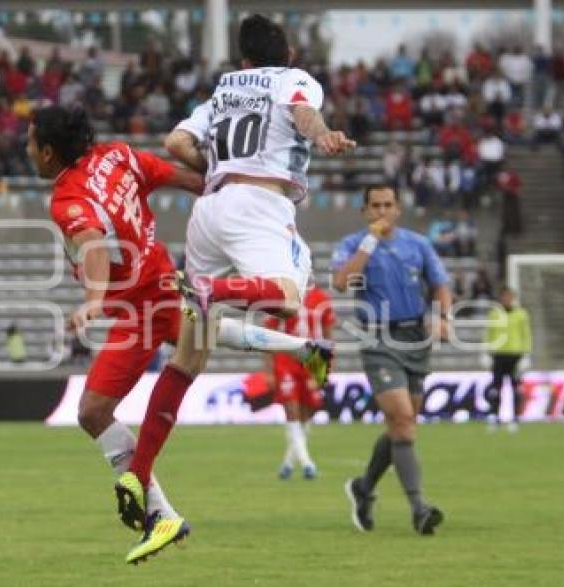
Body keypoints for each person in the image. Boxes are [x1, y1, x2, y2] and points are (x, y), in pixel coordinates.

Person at [27, 101, 338, 565]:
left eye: (31, 140)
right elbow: (185, 179)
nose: (27, 148)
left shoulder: (67, 198)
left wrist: (93, 299)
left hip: (137, 310)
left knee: (93, 412)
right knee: (204, 332)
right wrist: (237, 199)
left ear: (48, 152)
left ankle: (160, 514)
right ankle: (303, 348)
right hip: (163, 280)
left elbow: (92, 244)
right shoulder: (119, 156)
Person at [118, 14, 352, 564]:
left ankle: (139, 472)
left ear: (243, 59)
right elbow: (302, 111)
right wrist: (323, 135)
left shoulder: (224, 90)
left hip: (209, 207)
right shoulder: (292, 80)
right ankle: (213, 288)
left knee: (189, 355)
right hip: (259, 203)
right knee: (289, 298)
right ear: (287, 52)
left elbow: (177, 142)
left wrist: (220, 167)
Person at [334, 185, 451, 536]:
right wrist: (369, 242)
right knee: (402, 420)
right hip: (377, 337)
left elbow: (440, 284)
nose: (382, 211)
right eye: (375, 206)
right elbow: (341, 281)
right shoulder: (352, 244)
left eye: (388, 205)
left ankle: (363, 487)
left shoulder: (418, 244)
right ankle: (419, 508)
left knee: (403, 425)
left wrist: (443, 315)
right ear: (365, 211)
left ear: (398, 209)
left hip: (416, 337)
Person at [265, 285, 335, 480]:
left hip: (313, 360)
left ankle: (288, 462)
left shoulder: (321, 298)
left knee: (307, 412)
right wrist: (269, 369)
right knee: (292, 410)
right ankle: (307, 463)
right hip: (287, 359)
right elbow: (268, 329)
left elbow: (329, 334)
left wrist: (327, 365)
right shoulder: (284, 295)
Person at [484, 288, 532, 432]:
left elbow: (526, 334)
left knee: (516, 389)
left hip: (515, 355)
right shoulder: (494, 314)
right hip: (498, 354)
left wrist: (526, 355)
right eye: (505, 297)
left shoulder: (521, 314)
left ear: (514, 298)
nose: (507, 299)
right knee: (495, 389)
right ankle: (494, 418)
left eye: (510, 297)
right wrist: (486, 353)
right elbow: (489, 333)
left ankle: (515, 419)